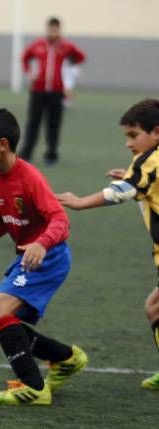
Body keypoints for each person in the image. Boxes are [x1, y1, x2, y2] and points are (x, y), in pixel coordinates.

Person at [0, 108, 87, 406]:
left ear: (3, 144)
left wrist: (42, 244)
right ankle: (66, 358)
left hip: (49, 258)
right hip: (29, 259)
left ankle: (34, 387)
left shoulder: (29, 177)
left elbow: (60, 220)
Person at [56, 99, 159, 391]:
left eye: (133, 135)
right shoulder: (149, 161)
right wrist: (130, 177)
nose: (128, 143)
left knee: (154, 307)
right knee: (155, 308)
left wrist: (79, 202)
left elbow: (121, 193)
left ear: (156, 132)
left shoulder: (148, 161)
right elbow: (138, 182)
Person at [19, 17, 85, 166]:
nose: (53, 32)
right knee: (33, 123)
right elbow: (25, 57)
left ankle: (51, 154)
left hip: (56, 91)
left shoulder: (66, 46)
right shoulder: (38, 45)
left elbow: (80, 57)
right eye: (50, 29)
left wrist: (71, 70)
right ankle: (26, 153)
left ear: (59, 30)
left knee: (53, 124)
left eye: (55, 29)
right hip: (38, 90)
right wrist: (30, 73)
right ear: (47, 29)